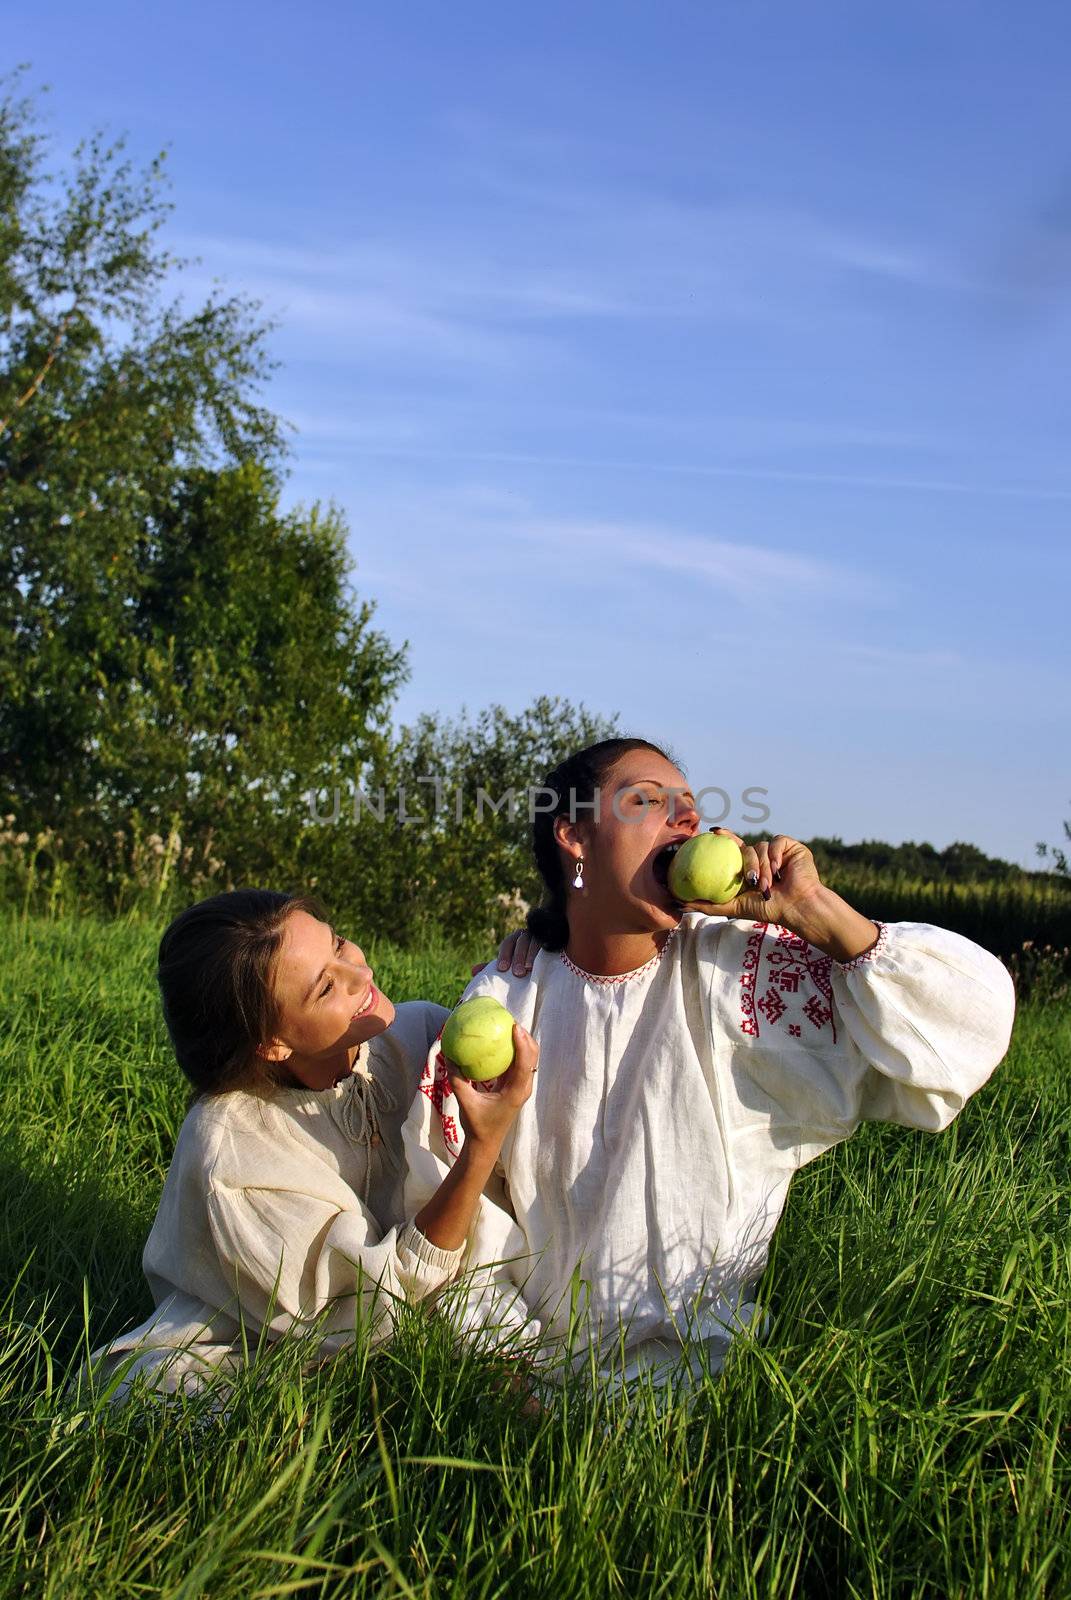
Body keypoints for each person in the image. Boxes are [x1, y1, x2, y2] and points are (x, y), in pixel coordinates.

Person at [402, 738, 1018, 1391]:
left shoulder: (739, 970)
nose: (686, 820)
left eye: (690, 808)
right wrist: (509, 1370)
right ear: (574, 835)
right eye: (647, 800)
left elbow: (967, 1023)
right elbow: (451, 1207)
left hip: (699, 1372)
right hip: (521, 1369)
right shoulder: (509, 997)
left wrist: (814, 913)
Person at [92, 889, 536, 1401]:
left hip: (415, 1302)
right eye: (327, 988)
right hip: (266, 1339)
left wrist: (517, 980)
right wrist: (481, 1147)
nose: (361, 975)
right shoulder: (234, 1152)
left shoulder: (418, 1034)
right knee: (159, 1398)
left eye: (339, 944)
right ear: (271, 1043)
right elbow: (377, 1304)